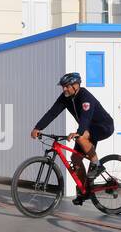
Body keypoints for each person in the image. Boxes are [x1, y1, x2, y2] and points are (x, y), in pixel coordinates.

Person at [30, 72, 115, 205]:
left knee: (80, 138)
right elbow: (52, 112)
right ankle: (85, 190)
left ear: (76, 85)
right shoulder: (65, 97)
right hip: (87, 129)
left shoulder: (85, 96)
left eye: (67, 86)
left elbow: (86, 117)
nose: (64, 89)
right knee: (75, 159)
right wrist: (38, 127)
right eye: (63, 86)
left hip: (104, 126)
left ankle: (97, 165)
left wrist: (79, 132)